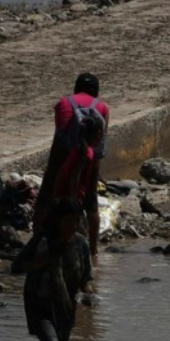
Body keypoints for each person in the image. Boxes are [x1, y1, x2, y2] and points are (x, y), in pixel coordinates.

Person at [20, 199, 93, 341]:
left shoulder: (81, 244)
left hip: (65, 307)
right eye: (68, 220)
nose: (73, 224)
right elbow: (18, 265)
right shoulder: (43, 241)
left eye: (76, 220)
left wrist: (88, 294)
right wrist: (43, 260)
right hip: (39, 304)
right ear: (58, 220)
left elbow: (86, 278)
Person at [33, 73, 111, 232]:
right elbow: (100, 141)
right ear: (96, 91)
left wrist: (54, 168)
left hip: (63, 155)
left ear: (76, 88)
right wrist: (94, 170)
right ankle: (93, 251)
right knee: (91, 202)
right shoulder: (102, 107)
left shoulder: (63, 103)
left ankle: (37, 238)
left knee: (46, 199)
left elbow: (59, 135)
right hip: (90, 156)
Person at [52, 112, 105, 262]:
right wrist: (73, 200)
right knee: (76, 232)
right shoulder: (86, 153)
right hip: (69, 196)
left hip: (63, 193)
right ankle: (84, 262)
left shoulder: (79, 149)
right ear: (98, 134)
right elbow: (74, 175)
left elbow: (63, 172)